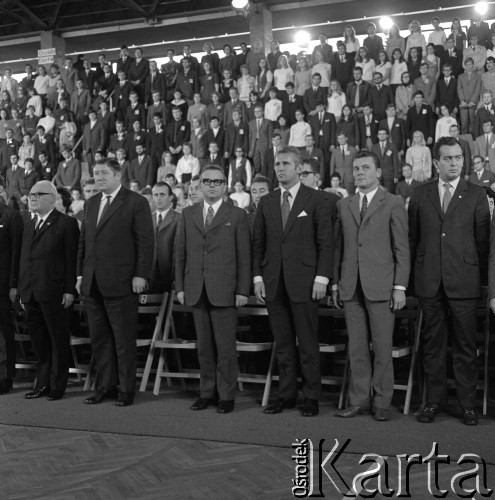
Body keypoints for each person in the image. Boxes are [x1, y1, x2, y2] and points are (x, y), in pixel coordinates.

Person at [409, 137, 490, 426]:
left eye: (458, 158)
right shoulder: (420, 194)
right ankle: (432, 402)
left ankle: (468, 405)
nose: (454, 163)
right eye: (448, 158)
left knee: (466, 346)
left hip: (464, 282)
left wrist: (478, 280)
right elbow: (413, 238)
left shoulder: (477, 194)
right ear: (436, 162)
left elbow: (482, 242)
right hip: (429, 282)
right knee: (433, 345)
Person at [252, 146, 333, 417]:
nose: (280, 168)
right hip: (273, 283)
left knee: (308, 344)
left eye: (286, 163)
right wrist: (258, 278)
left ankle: (311, 397)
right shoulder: (266, 202)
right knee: (283, 344)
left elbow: (325, 243)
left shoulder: (316, 199)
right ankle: (286, 395)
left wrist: (322, 278)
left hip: (306, 282)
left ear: (299, 168)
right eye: (277, 163)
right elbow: (258, 245)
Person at [333, 150, 409, 421]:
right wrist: (336, 284)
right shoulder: (345, 204)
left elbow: (402, 248)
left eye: (366, 168)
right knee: (356, 348)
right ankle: (359, 401)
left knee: (382, 347)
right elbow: (338, 248)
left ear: (378, 172)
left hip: (382, 286)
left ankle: (382, 403)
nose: (360, 173)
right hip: (351, 286)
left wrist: (400, 286)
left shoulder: (393, 202)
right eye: (356, 169)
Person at [77, 158, 154, 407]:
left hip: (122, 282)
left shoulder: (136, 202)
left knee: (123, 340)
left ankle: (126, 390)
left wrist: (141, 275)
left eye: (104, 173)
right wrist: (80, 276)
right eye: (96, 173)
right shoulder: (90, 203)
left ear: (118, 174)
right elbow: (84, 244)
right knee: (100, 339)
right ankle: (105, 387)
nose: (98, 178)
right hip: (92, 282)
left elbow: (145, 242)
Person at [175, 165, 250, 413]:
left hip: (225, 289)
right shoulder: (188, 214)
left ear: (225, 186)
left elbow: (244, 257)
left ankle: (226, 396)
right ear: (200, 184)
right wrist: (181, 286)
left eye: (217, 182)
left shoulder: (237, 215)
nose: (211, 185)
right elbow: (180, 253)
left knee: (226, 349)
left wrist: (242, 290)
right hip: (196, 287)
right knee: (204, 347)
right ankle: (207, 393)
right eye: (207, 181)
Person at [18, 181, 79, 401]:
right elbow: (22, 258)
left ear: (52, 198)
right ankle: (41, 384)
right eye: (31, 194)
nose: (32, 197)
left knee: (57, 340)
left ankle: (57, 386)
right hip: (30, 292)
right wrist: (21, 288)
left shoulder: (67, 224)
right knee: (39, 342)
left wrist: (70, 290)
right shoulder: (26, 221)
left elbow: (71, 260)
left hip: (55, 292)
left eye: (38, 194)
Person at [0, 201, 22, 395]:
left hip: (3, 284)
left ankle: (5, 377)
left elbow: (16, 253)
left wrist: (14, 284)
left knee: (3, 333)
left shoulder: (11, 216)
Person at [149, 182, 179, 294]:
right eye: (155, 195)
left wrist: (177, 279)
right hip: (149, 276)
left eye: (162, 194)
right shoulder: (147, 218)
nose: (158, 198)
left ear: (170, 197)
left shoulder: (179, 218)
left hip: (169, 276)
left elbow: (178, 252)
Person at [457, 57, 482, 136]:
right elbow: (459, 89)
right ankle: (465, 141)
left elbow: (477, 90)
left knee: (473, 123)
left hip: (473, 103)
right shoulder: (460, 76)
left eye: (470, 64)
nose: (468, 66)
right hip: (463, 103)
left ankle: (474, 142)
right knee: (464, 124)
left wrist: (472, 101)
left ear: (473, 65)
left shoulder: (478, 76)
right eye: (467, 65)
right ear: (465, 66)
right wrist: (462, 100)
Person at [370, 128, 400, 193]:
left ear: (387, 135)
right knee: (378, 194)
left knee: (389, 194)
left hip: (389, 175)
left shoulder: (392, 146)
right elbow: (372, 162)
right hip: (377, 176)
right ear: (377, 136)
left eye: (384, 134)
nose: (382, 135)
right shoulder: (373, 147)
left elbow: (396, 162)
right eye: (380, 134)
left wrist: (396, 176)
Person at [249, 104, 273, 175]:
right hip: (254, 144)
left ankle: (264, 175)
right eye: (255, 112)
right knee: (256, 161)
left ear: (263, 112)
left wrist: (270, 147)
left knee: (264, 161)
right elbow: (250, 137)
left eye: (259, 111)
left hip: (264, 144)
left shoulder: (268, 122)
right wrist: (250, 149)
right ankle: (257, 175)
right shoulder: (251, 123)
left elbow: (270, 136)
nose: (257, 113)